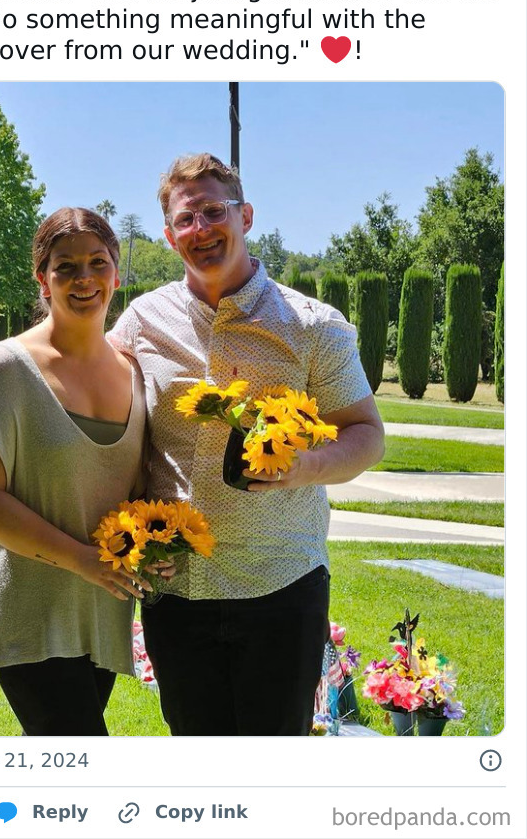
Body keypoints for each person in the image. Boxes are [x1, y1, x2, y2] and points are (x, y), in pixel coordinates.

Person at [107, 153, 385, 736]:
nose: (200, 229)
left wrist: (306, 466)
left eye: (214, 211)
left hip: (280, 586)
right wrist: (17, 366)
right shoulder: (141, 320)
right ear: (169, 235)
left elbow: (366, 434)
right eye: (186, 219)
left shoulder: (312, 325)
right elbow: (83, 374)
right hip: (177, 589)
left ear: (246, 215)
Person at [0, 208, 152, 737]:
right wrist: (82, 559)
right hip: (28, 608)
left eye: (97, 263)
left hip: (99, 610)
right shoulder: (6, 367)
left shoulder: (134, 373)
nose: (84, 279)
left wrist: (157, 547)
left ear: (116, 273)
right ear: (43, 279)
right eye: (66, 267)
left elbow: (129, 492)